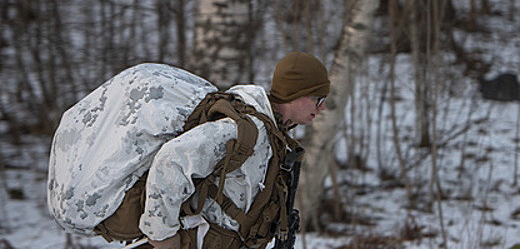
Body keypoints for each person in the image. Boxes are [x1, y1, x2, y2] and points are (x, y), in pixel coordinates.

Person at [47, 52, 330, 249]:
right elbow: (171, 162)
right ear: (296, 94)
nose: (322, 108)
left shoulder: (271, 134)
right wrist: (164, 239)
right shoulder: (245, 131)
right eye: (318, 99)